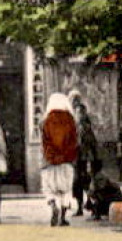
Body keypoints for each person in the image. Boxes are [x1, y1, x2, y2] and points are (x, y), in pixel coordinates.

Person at [41, 92, 80, 227]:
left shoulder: (46, 121)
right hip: (66, 161)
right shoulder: (71, 121)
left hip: (50, 161)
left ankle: (53, 206)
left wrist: (50, 156)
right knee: (66, 190)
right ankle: (62, 217)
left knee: (49, 188)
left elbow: (45, 142)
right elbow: (74, 142)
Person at [70, 93, 99, 217]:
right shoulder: (73, 126)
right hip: (76, 159)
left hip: (85, 159)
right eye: (77, 112)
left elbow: (92, 143)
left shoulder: (86, 128)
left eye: (80, 112)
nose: (79, 115)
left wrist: (92, 159)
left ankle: (94, 207)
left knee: (87, 184)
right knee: (77, 184)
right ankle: (81, 207)